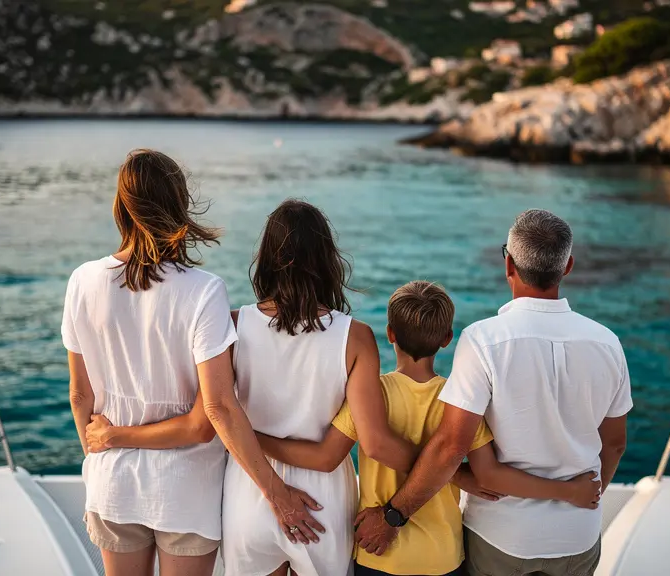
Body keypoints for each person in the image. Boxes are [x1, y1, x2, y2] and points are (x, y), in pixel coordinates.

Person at [89, 198, 418, 576]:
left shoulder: (233, 326)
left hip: (250, 493)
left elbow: (214, 414)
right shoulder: (355, 337)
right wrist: (444, 470)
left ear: (267, 260)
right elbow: (374, 441)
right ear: (328, 259)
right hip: (323, 501)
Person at [352, 209, 632, 576]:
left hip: (503, 538)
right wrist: (585, 497)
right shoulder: (608, 343)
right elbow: (614, 445)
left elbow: (452, 448)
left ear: (508, 265)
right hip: (577, 536)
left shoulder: (484, 341)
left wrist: (394, 515)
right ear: (567, 267)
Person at [256, 281, 603, 576]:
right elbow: (484, 475)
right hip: (442, 558)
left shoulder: (370, 395)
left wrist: (252, 438)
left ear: (390, 333)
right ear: (447, 339)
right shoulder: (460, 402)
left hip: (378, 554)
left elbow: (325, 455)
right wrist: (567, 490)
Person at [63, 149, 236, 576]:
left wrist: (103, 452)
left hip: (112, 484)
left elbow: (80, 395)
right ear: (179, 205)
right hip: (186, 490)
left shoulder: (83, 280)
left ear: (121, 206)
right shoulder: (204, 291)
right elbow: (202, 424)